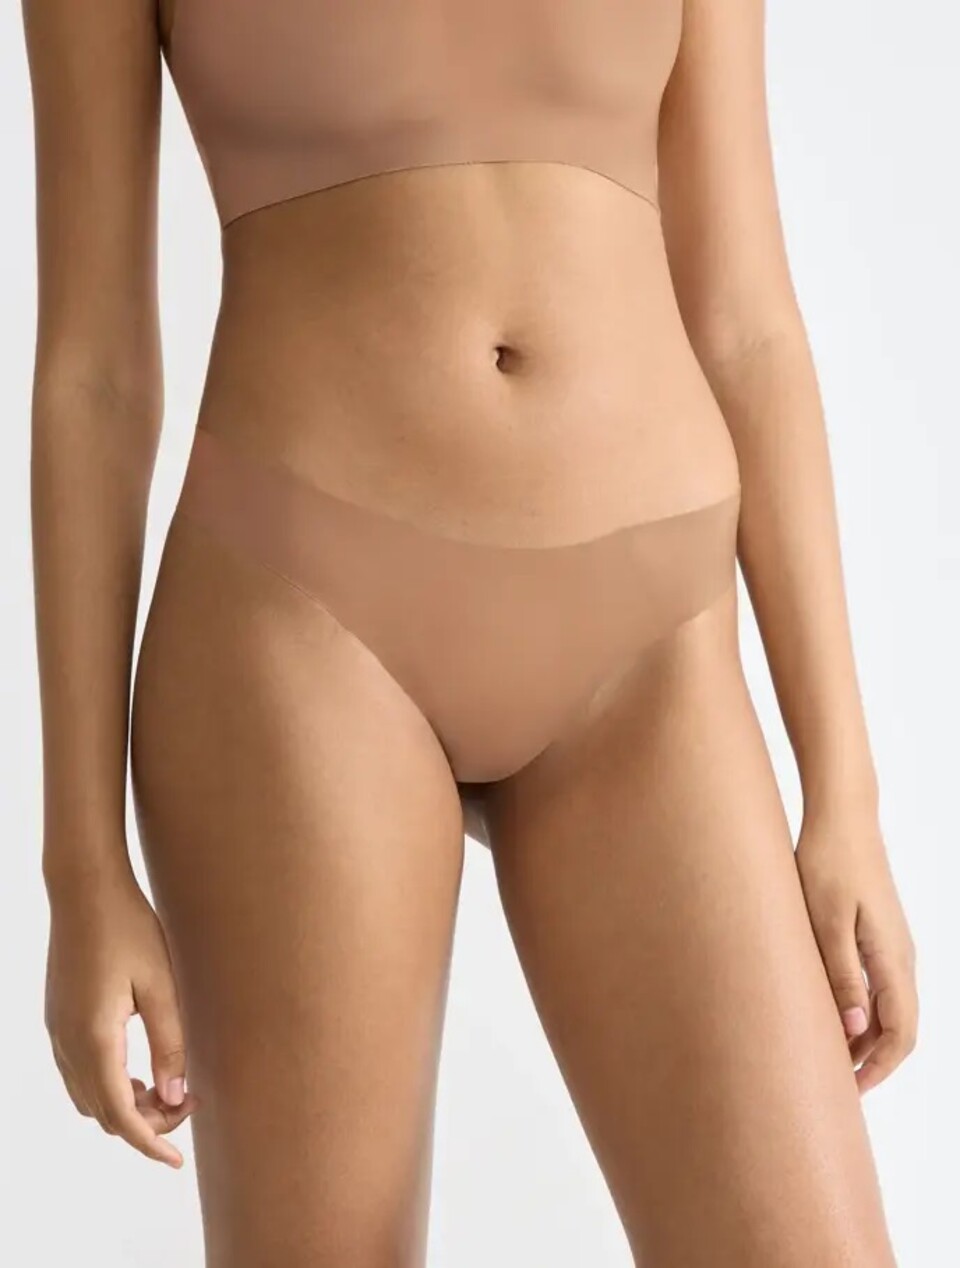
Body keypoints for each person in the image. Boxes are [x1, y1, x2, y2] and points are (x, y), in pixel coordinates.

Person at [24, 1, 916, 1263]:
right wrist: (80, 862)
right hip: (303, 618)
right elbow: (95, 372)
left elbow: (749, 318)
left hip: (651, 639)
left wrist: (845, 793)